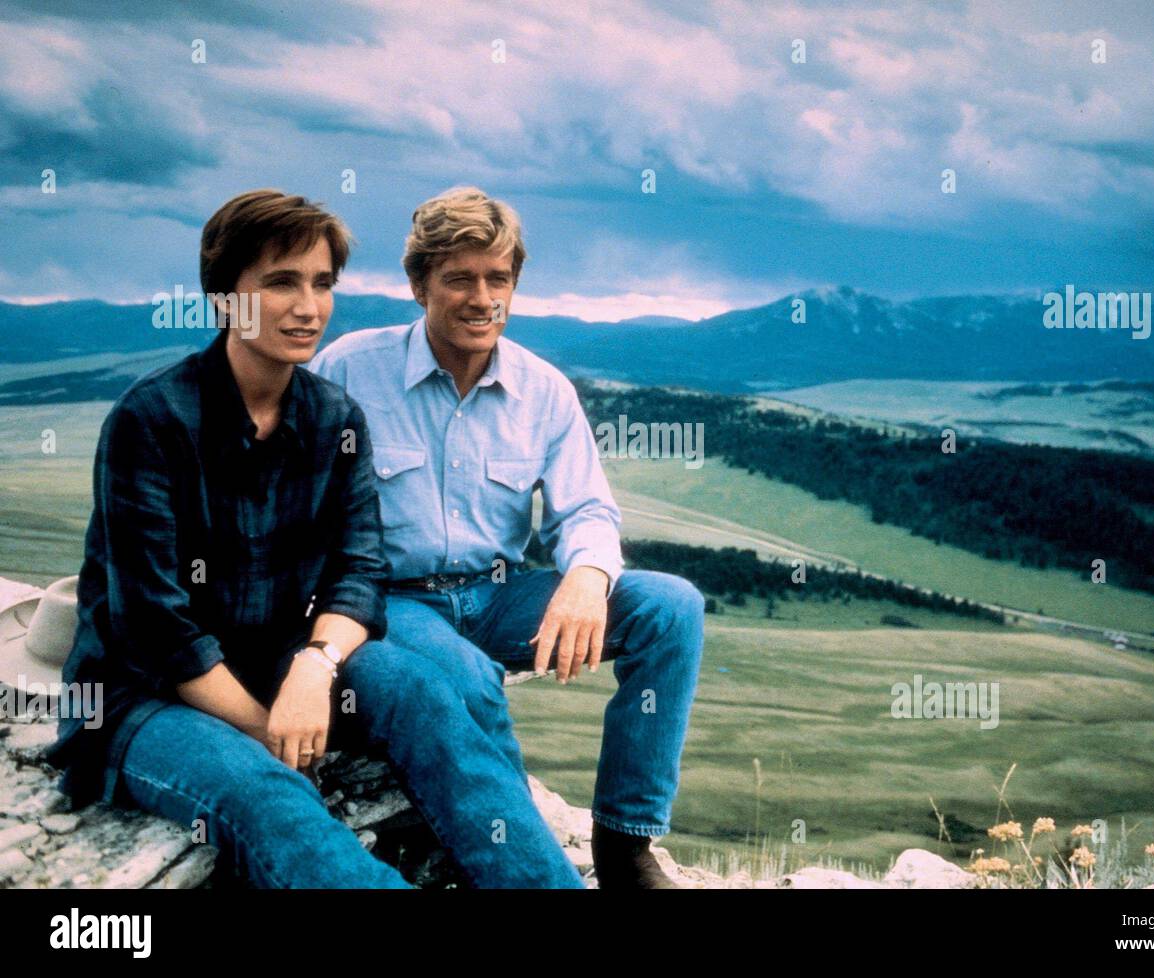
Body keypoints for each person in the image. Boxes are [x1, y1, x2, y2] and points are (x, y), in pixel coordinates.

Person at [45, 189, 585, 889]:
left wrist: (315, 665)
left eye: (322, 283)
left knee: (424, 693)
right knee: (273, 798)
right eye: (280, 283)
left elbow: (358, 571)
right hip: (145, 700)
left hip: (278, 661)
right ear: (223, 298)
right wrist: (269, 722)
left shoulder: (333, 417)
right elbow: (155, 625)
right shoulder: (151, 420)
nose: (308, 306)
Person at [309, 186, 706, 889]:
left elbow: (586, 509)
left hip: (497, 596)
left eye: (499, 278)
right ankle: (520, 863)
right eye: (459, 278)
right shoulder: (347, 369)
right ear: (418, 284)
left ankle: (625, 847)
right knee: (467, 678)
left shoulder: (544, 390)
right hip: (390, 602)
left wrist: (587, 577)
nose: (481, 297)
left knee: (671, 608)